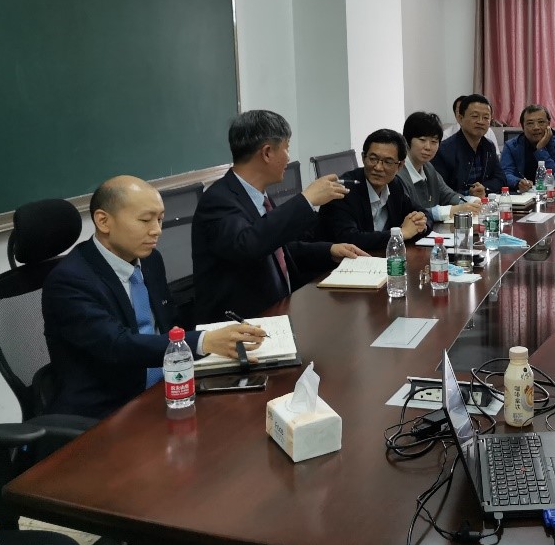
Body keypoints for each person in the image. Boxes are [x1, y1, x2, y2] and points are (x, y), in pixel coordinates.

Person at [43, 176, 267, 419]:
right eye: (145, 220)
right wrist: (204, 342)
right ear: (103, 221)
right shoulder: (69, 281)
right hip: (107, 410)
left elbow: (170, 324)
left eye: (159, 219)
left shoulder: (150, 260)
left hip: (166, 390)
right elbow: (117, 345)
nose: (157, 230)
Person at [192, 110, 365, 323]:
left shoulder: (258, 195)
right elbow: (249, 245)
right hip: (240, 324)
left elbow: (277, 249)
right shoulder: (218, 199)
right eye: (287, 148)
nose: (288, 157)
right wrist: (306, 200)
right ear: (267, 153)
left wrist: (329, 250)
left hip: (279, 312)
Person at [318, 129, 431, 250]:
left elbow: (423, 213)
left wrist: (421, 224)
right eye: (373, 159)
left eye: (388, 162)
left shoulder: (394, 185)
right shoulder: (342, 191)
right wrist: (400, 234)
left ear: (400, 165)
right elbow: (349, 239)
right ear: (363, 158)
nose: (378, 167)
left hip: (381, 257)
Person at [396, 111, 481, 222]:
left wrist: (471, 202)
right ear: (407, 140)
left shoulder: (428, 168)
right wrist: (450, 210)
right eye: (422, 140)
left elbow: (448, 195)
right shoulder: (398, 173)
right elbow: (409, 215)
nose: (428, 147)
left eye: (434, 141)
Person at [432, 94, 507, 197]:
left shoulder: (489, 146)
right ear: (460, 118)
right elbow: (440, 190)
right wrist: (468, 193)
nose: (480, 122)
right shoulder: (444, 150)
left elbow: (501, 178)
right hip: (457, 204)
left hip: (484, 203)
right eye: (475, 116)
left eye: (486, 117)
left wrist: (484, 188)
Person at [500, 104, 555, 192]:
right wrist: (518, 182)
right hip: (521, 195)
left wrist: (540, 150)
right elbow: (504, 173)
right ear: (522, 126)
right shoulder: (511, 146)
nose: (536, 127)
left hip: (551, 195)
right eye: (530, 123)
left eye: (541, 122)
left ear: (548, 124)